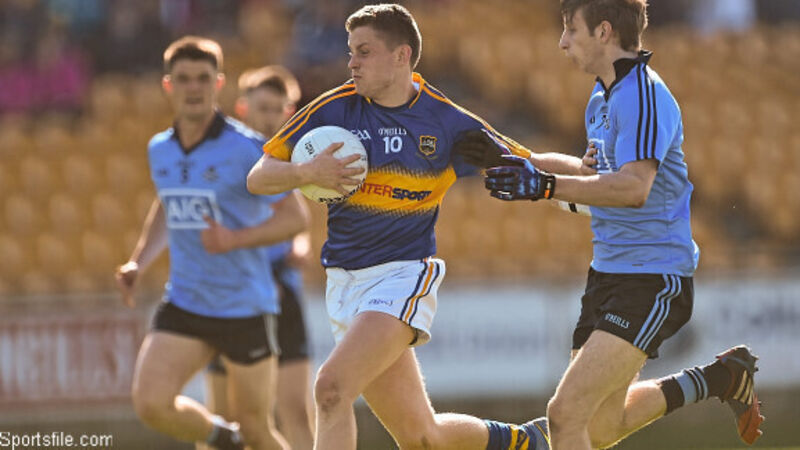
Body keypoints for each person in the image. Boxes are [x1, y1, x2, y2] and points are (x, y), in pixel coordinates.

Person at [457, 0, 765, 448]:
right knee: (598, 427)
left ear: (603, 32)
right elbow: (592, 177)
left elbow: (633, 187)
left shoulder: (643, 94)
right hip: (608, 273)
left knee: (564, 415)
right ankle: (720, 378)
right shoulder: (602, 97)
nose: (562, 43)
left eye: (571, 30)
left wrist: (544, 186)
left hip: (652, 276)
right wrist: (516, 158)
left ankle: (721, 377)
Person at [247, 4, 551, 449]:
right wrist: (305, 172)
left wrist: (589, 176)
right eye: (351, 51)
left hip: (401, 276)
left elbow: (530, 161)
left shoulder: (446, 120)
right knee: (423, 438)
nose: (351, 62)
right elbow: (258, 177)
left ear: (401, 55)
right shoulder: (334, 108)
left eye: (364, 52)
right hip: (344, 284)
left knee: (330, 389)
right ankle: (526, 441)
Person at [115, 36, 309, 450]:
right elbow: (168, 205)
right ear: (168, 85)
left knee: (258, 428)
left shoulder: (248, 149)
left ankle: (239, 437)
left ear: (218, 83)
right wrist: (138, 263)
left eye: (202, 78)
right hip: (186, 301)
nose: (194, 88)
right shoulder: (159, 149)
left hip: (244, 307)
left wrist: (235, 238)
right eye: (183, 79)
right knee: (150, 403)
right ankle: (225, 439)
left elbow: (296, 218)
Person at [201, 65, 315, 450]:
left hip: (282, 292)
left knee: (296, 409)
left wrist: (300, 246)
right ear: (242, 107)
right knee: (226, 419)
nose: (269, 118)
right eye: (262, 108)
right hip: (233, 291)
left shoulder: (289, 161)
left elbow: (297, 220)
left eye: (276, 110)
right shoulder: (226, 157)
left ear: (288, 113)